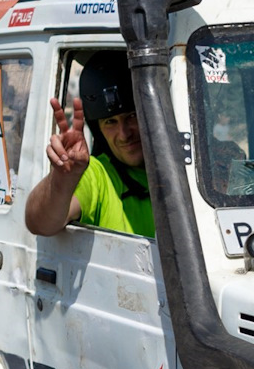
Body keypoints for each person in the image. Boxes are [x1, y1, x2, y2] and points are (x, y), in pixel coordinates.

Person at [25, 51, 156, 239]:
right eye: (110, 122)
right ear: (98, 130)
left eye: (132, 116)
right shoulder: (96, 173)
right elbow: (40, 223)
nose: (124, 134)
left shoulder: (184, 169)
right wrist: (62, 179)